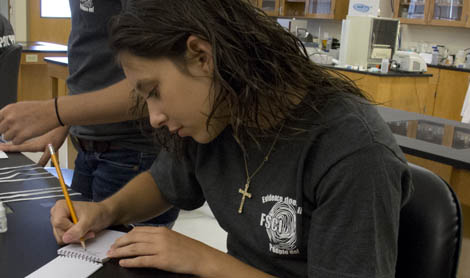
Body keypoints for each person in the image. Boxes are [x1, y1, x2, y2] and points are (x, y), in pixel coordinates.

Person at [50, 1, 413, 277]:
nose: (154, 116)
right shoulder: (222, 114)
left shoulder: (353, 153)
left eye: (154, 91)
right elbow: (164, 184)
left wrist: (205, 260)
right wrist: (105, 211)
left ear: (201, 57)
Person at [0, 0, 178, 226]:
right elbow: (91, 58)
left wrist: (55, 111)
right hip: (90, 148)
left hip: (133, 153)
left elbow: (158, 80)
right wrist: (62, 125)